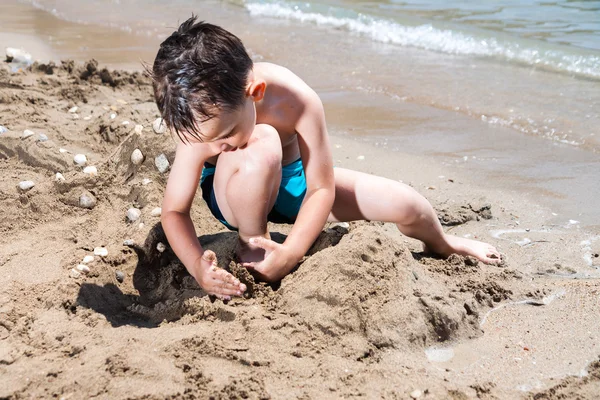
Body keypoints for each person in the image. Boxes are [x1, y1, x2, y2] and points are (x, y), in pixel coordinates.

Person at [152, 17, 501, 301]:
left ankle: (444, 243)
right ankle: (252, 244)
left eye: (225, 136)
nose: (217, 148)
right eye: (207, 142)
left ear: (254, 93)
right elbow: (175, 210)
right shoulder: (200, 114)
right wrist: (198, 265)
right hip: (232, 191)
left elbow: (321, 187)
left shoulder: (297, 100)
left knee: (409, 205)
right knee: (263, 141)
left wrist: (292, 252)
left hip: (293, 186)